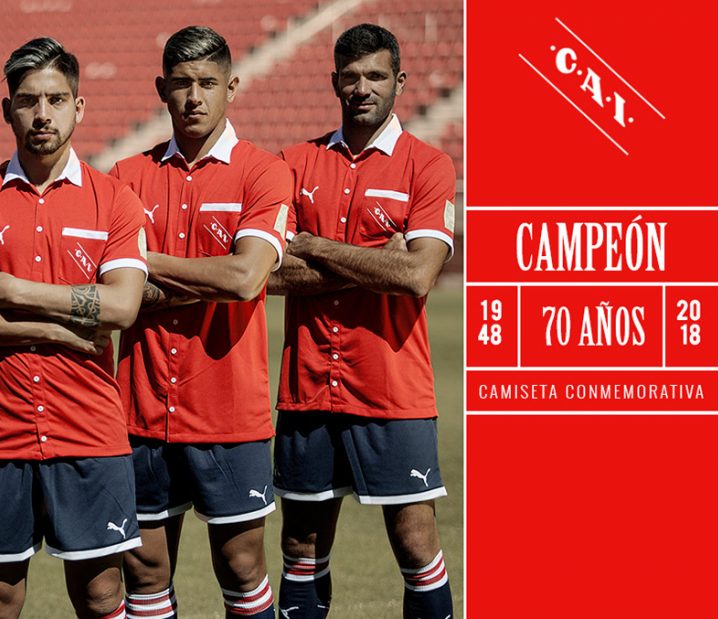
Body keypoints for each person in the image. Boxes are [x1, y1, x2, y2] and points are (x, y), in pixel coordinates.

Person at [0, 36, 147, 619]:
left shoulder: (116, 201)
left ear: (79, 107)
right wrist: (55, 331)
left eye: (56, 99)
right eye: (28, 101)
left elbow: (123, 307)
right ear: (8, 109)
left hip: (90, 429)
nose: (42, 114)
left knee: (102, 594)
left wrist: (20, 293)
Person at [267, 23, 456, 619]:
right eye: (350, 77)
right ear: (333, 82)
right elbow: (267, 275)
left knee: (415, 542)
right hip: (307, 393)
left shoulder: (428, 165)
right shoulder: (294, 163)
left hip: (394, 392)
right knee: (301, 545)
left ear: (399, 82)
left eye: (375, 75)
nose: (362, 87)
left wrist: (313, 245)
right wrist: (381, 259)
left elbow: (417, 276)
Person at [109, 26, 290, 618]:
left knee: (241, 567)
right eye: (182, 84)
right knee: (145, 570)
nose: (194, 97)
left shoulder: (263, 172)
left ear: (231, 87)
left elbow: (244, 281)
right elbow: (113, 293)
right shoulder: (124, 177)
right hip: (137, 410)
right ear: (162, 89)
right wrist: (196, 276)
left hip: (229, 412)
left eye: (208, 83)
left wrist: (142, 263)